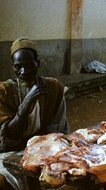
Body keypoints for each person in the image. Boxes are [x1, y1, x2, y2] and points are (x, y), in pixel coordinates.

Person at [0, 37, 70, 189]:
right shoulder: (4, 92)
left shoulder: (53, 88)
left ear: (37, 64)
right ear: (13, 67)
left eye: (30, 65)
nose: (24, 72)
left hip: (46, 150)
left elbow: (57, 131)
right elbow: (8, 137)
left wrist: (36, 148)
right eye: (18, 66)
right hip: (10, 153)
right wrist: (26, 104)